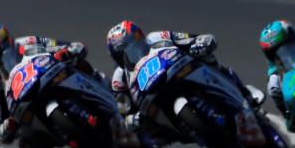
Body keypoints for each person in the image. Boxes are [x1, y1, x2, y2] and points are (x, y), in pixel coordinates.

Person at [0, 22, 162, 148]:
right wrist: (8, 125)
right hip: (28, 113)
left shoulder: (29, 43)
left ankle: (106, 98)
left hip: (49, 80)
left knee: (81, 65)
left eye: (0, 51)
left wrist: (67, 52)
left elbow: (75, 47)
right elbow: (1, 133)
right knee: (28, 146)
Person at [105, 20, 255, 119]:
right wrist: (130, 117)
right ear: (116, 56)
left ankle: (244, 93)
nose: (133, 51)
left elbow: (189, 38)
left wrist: (199, 43)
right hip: (153, 107)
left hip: (175, 72)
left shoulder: (156, 37)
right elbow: (122, 109)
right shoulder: (120, 77)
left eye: (136, 41)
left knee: (206, 58)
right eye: (123, 51)